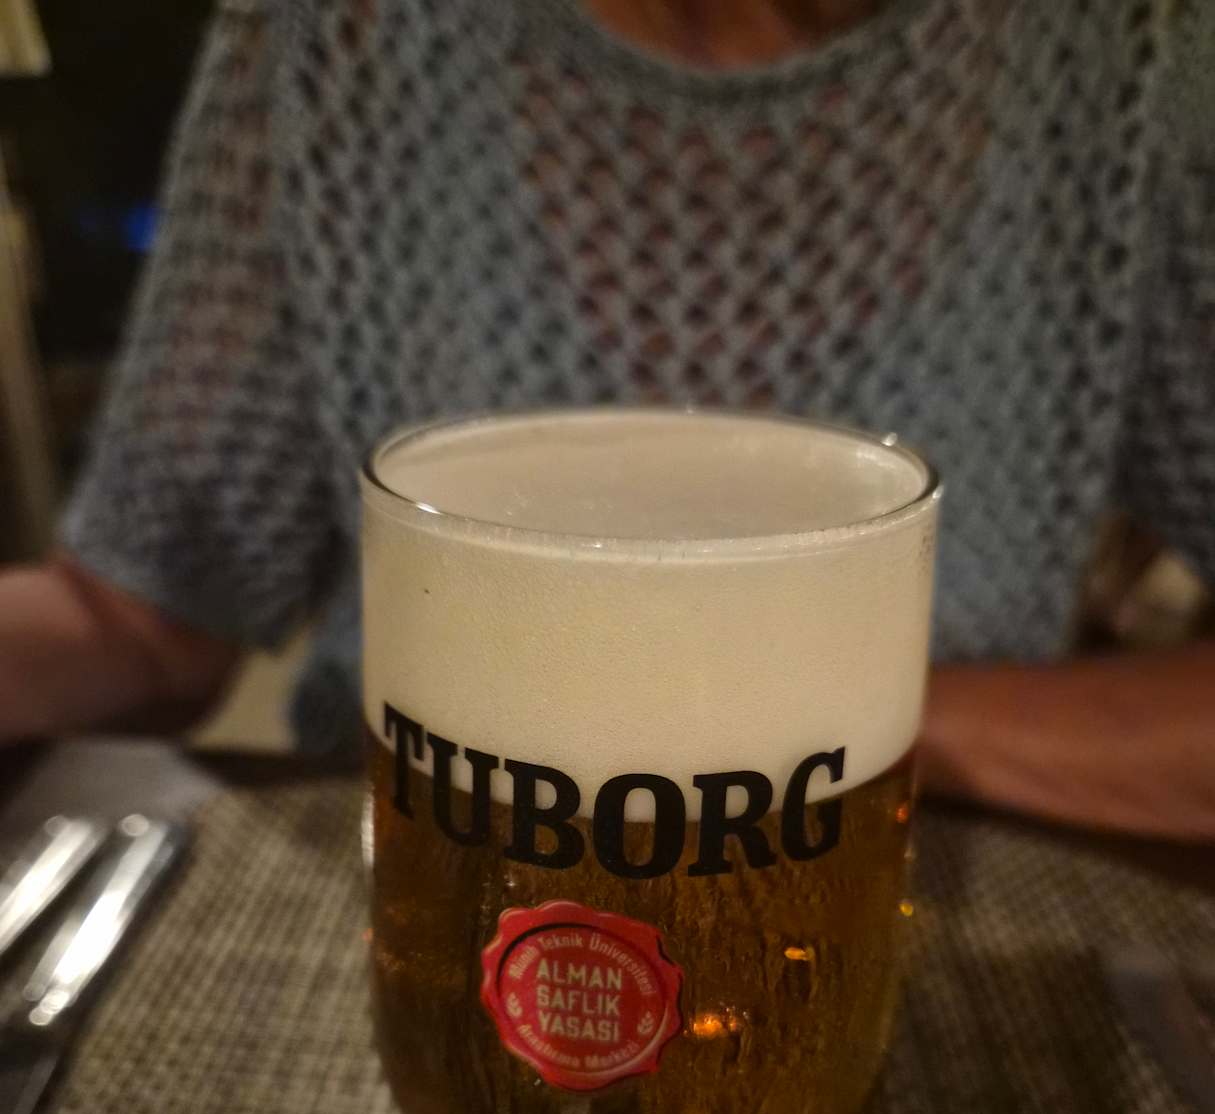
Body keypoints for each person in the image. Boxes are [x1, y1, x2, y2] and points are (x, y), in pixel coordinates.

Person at [2, 0, 1212, 839]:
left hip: (891, 897)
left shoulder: (1137, 67)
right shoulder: (339, 35)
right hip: (432, 880)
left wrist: (850, 736)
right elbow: (147, 617)